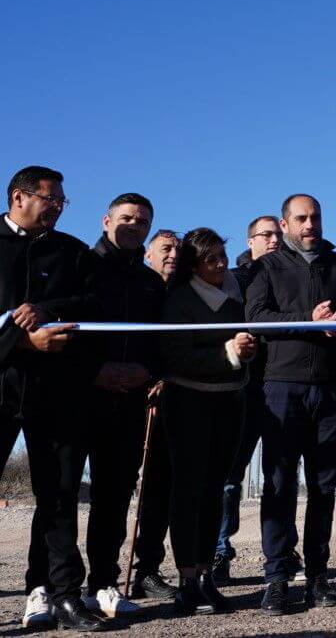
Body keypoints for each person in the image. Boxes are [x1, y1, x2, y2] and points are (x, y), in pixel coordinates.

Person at [0, 166, 103, 632]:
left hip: (55, 393)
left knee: (59, 497)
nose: (58, 207)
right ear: (19, 197)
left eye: (62, 201)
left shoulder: (72, 252)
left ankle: (64, 595)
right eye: (51, 199)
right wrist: (23, 341)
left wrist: (47, 310)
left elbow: (92, 303)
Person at [246, 195, 336, 615]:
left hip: (329, 389)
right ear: (285, 224)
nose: (310, 224)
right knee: (278, 485)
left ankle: (318, 576)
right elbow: (256, 317)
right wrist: (307, 320)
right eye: (301, 218)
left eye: (315, 217)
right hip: (282, 387)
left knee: (324, 487)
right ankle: (276, 578)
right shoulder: (267, 267)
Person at [157, 228, 257, 616]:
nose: (220, 263)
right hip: (188, 403)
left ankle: (205, 576)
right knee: (188, 490)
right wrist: (228, 351)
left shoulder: (235, 297)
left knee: (215, 489)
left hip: (230, 401)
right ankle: (186, 580)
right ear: (193, 264)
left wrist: (246, 353)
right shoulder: (180, 300)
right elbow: (174, 354)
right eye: (210, 258)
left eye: (222, 255)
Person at [78, 194, 165, 619]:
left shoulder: (151, 283)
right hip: (80, 396)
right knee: (59, 497)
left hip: (129, 400)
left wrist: (146, 372)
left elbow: (160, 340)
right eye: (126, 218)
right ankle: (50, 586)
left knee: (113, 498)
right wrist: (94, 371)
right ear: (106, 220)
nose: (134, 226)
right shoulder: (81, 266)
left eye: (142, 221)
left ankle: (102, 583)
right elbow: (67, 327)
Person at [213, 215, 280, 584]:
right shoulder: (233, 281)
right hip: (242, 390)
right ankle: (219, 550)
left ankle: (281, 552)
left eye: (278, 234)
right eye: (266, 235)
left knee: (281, 476)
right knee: (229, 476)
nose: (274, 240)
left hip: (282, 384)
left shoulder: (290, 276)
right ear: (250, 240)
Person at [130, 229, 181, 603]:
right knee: (121, 489)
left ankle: (147, 570)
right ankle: (103, 577)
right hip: (130, 395)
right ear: (149, 253)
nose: (172, 255)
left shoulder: (182, 293)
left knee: (160, 490)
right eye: (165, 248)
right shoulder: (138, 287)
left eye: (177, 249)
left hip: (173, 400)